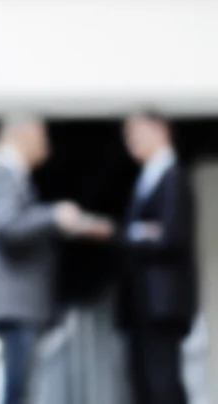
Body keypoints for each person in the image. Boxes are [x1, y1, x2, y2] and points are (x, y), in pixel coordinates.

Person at [0, 116, 113, 404]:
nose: (46, 147)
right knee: (18, 387)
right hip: (15, 302)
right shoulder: (2, 175)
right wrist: (55, 216)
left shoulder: (13, 177)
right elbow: (8, 227)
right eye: (41, 139)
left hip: (19, 301)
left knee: (21, 385)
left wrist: (72, 225)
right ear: (23, 137)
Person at [120, 111, 197, 404]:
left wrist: (131, 234)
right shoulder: (146, 179)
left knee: (163, 382)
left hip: (164, 301)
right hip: (142, 301)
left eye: (136, 133)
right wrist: (142, 231)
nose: (131, 142)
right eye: (127, 137)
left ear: (160, 130)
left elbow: (171, 236)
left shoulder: (173, 175)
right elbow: (149, 232)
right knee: (145, 384)